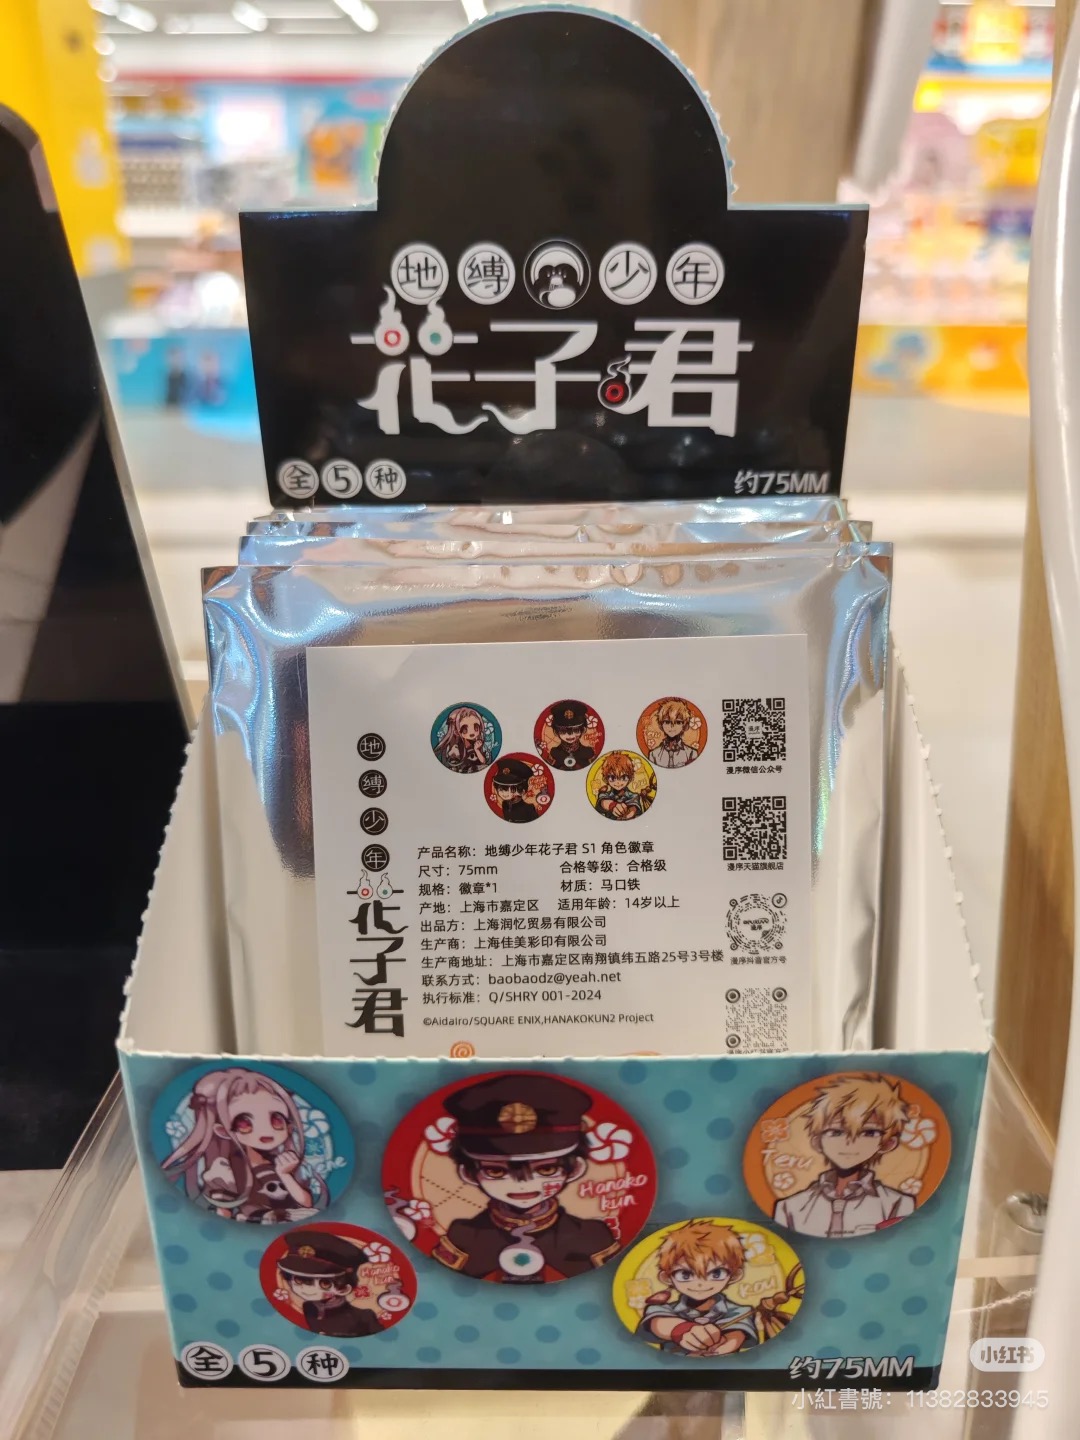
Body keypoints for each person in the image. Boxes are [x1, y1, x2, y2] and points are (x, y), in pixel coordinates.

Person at [431, 1073, 620, 1282]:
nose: (523, 1183)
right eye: (496, 1172)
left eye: (546, 1169)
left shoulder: (592, 1237)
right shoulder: (462, 1237)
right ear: (468, 1174)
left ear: (575, 1169)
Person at [160, 1067, 326, 1223]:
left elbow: (307, 1204)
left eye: (276, 1119)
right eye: (244, 1123)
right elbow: (223, 1217)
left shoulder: (283, 1163)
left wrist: (285, 1175)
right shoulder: (226, 1170)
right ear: (223, 1131)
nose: (265, 1130)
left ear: (289, 1126)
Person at [772, 1074, 915, 1238]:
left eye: (869, 1132)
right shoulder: (788, 1207)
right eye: (835, 1132)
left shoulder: (898, 1204)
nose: (850, 1143)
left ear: (887, 1143)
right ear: (817, 1142)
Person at [637, 1221, 758, 1355]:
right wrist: (682, 1330)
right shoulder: (662, 1309)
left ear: (734, 1275)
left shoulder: (740, 1311)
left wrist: (721, 1348)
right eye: (685, 1274)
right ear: (667, 1278)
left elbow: (736, 1335)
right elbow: (658, 1324)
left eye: (716, 1273)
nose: (700, 1283)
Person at [278, 1230, 382, 1337]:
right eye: (298, 1280)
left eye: (325, 1283)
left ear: (344, 1289)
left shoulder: (364, 1318)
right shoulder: (309, 1308)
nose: (306, 1288)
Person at [434, 706, 490, 773]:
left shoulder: (478, 743)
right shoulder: (455, 746)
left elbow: (483, 762)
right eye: (465, 729)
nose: (472, 732)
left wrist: (477, 750)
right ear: (456, 731)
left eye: (476, 727)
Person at [648, 699, 699, 769]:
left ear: (685, 726)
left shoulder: (691, 753)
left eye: (678, 722)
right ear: (661, 725)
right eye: (667, 722)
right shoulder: (653, 754)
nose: (672, 727)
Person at [546, 700, 596, 771]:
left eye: (576, 730)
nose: (570, 734)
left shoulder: (589, 753)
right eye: (563, 731)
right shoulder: (553, 754)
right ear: (556, 732)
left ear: (583, 730)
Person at [594, 751, 646, 820]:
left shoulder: (634, 796)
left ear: (630, 778)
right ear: (606, 779)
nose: (618, 782)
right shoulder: (604, 794)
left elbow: (634, 807)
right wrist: (612, 806)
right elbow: (603, 802)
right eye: (612, 778)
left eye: (624, 777)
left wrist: (629, 814)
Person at [490, 756, 540, 822]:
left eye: (511, 790)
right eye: (501, 789)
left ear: (521, 791)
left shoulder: (528, 808)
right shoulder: (505, 804)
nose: (504, 793)